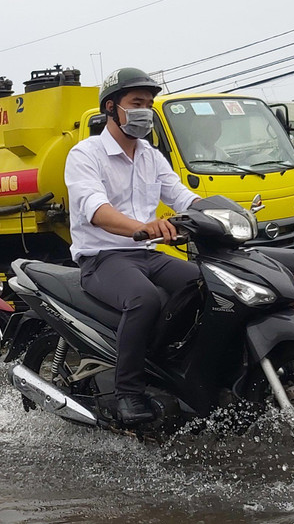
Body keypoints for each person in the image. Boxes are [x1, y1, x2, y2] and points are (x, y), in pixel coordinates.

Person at [64, 67, 201, 425]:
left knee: (201, 284)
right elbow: (96, 210)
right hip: (102, 257)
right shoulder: (85, 154)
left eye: (149, 103)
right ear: (111, 107)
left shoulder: (151, 156)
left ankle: (166, 362)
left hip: (147, 254)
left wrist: (223, 213)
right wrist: (142, 227)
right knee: (144, 298)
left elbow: (182, 196)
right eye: (136, 102)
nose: (146, 110)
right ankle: (128, 393)